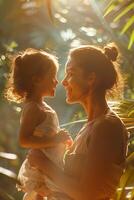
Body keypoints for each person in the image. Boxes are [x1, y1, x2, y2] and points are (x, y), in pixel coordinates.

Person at [28, 43, 128, 200]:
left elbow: (88, 194)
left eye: (70, 73)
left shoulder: (107, 126)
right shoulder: (91, 126)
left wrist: (44, 164)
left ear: (91, 78)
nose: (64, 82)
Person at [5, 48, 72, 200]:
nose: (57, 81)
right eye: (53, 77)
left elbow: (46, 132)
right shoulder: (33, 108)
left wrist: (62, 141)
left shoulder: (42, 106)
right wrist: (55, 140)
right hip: (39, 168)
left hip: (48, 164)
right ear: (37, 79)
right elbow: (24, 140)